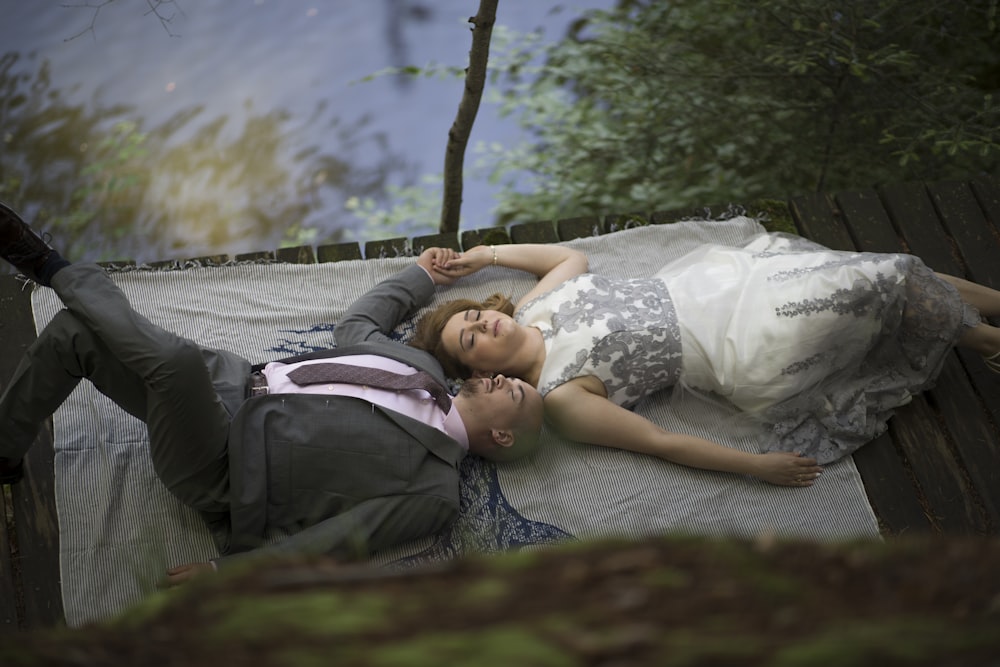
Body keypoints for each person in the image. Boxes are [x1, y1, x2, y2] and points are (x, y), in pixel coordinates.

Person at [0, 203, 543, 584]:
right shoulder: (420, 364)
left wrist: (229, 574)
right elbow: (356, 326)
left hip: (222, 463)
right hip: (228, 379)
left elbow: (342, 539)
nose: (502, 379)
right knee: (74, 336)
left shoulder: (434, 492)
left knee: (176, 362)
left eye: (514, 392)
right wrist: (418, 276)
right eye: (510, 377)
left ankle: (52, 266)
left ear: (501, 434)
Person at [408, 230, 1000, 487]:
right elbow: (660, 442)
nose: (484, 319)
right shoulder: (562, 395)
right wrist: (753, 466)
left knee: (893, 271)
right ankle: (985, 339)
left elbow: (567, 257)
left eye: (474, 314)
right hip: (741, 342)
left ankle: (989, 322)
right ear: (483, 370)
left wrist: (481, 254)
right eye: (470, 337)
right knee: (887, 277)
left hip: (716, 284)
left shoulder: (537, 306)